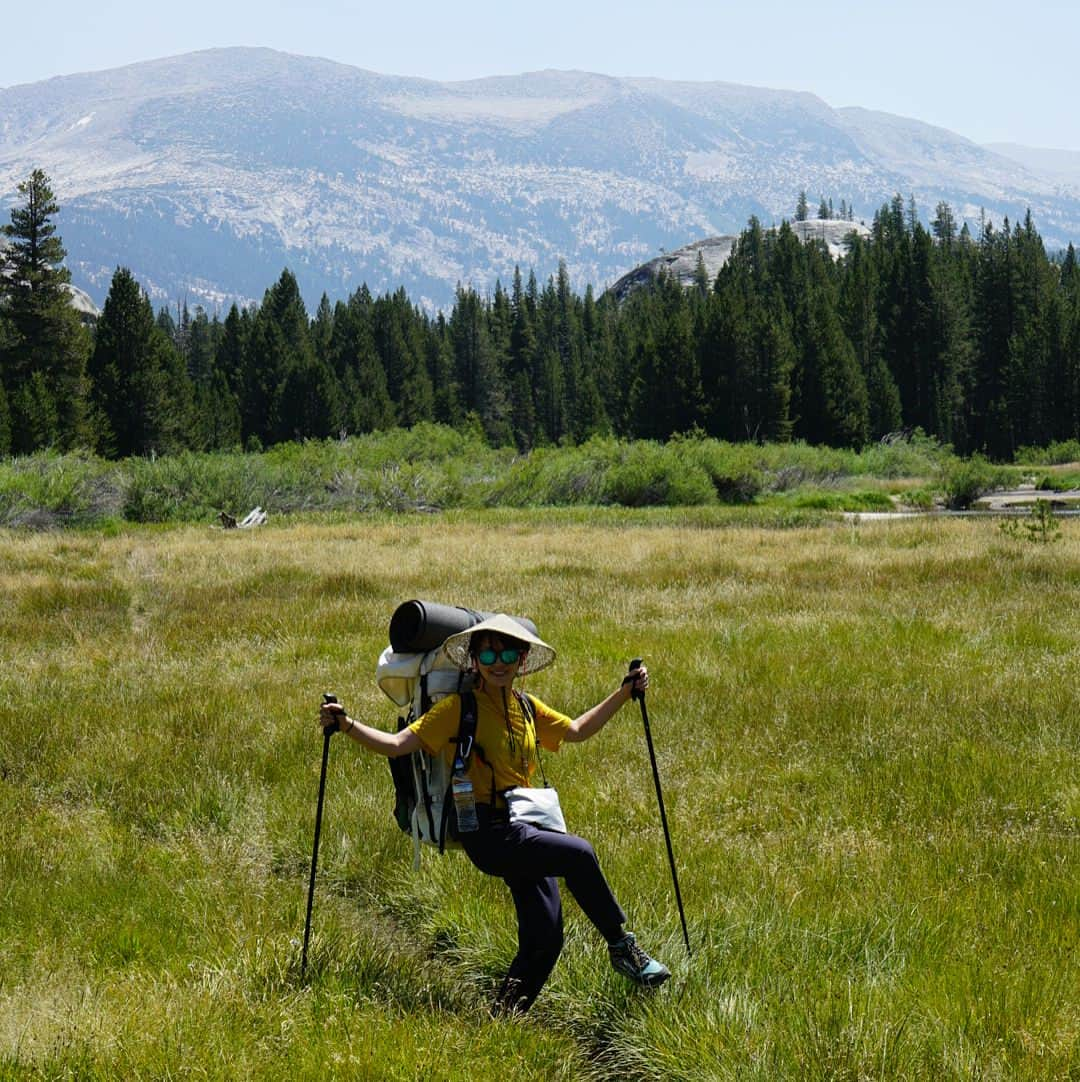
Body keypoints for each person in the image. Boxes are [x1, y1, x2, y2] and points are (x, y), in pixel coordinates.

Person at [319, 612, 671, 1014]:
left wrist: (624, 693)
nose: (498, 663)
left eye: (507, 653)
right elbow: (399, 744)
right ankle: (623, 948)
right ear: (473, 662)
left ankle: (503, 1017)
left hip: (525, 827)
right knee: (579, 854)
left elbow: (575, 731)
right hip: (487, 833)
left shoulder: (525, 706)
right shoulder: (458, 708)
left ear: (522, 660)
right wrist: (346, 725)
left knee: (545, 937)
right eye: (488, 656)